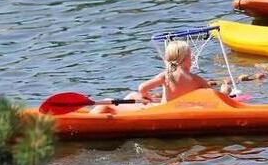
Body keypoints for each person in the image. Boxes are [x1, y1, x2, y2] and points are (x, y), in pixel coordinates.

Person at [91, 40, 230, 114]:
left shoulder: (167, 75)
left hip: (163, 110)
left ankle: (104, 113)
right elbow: (215, 97)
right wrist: (225, 90)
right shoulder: (196, 80)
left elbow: (142, 88)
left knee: (114, 100)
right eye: (191, 56)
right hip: (175, 110)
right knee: (133, 96)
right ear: (187, 59)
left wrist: (147, 97)